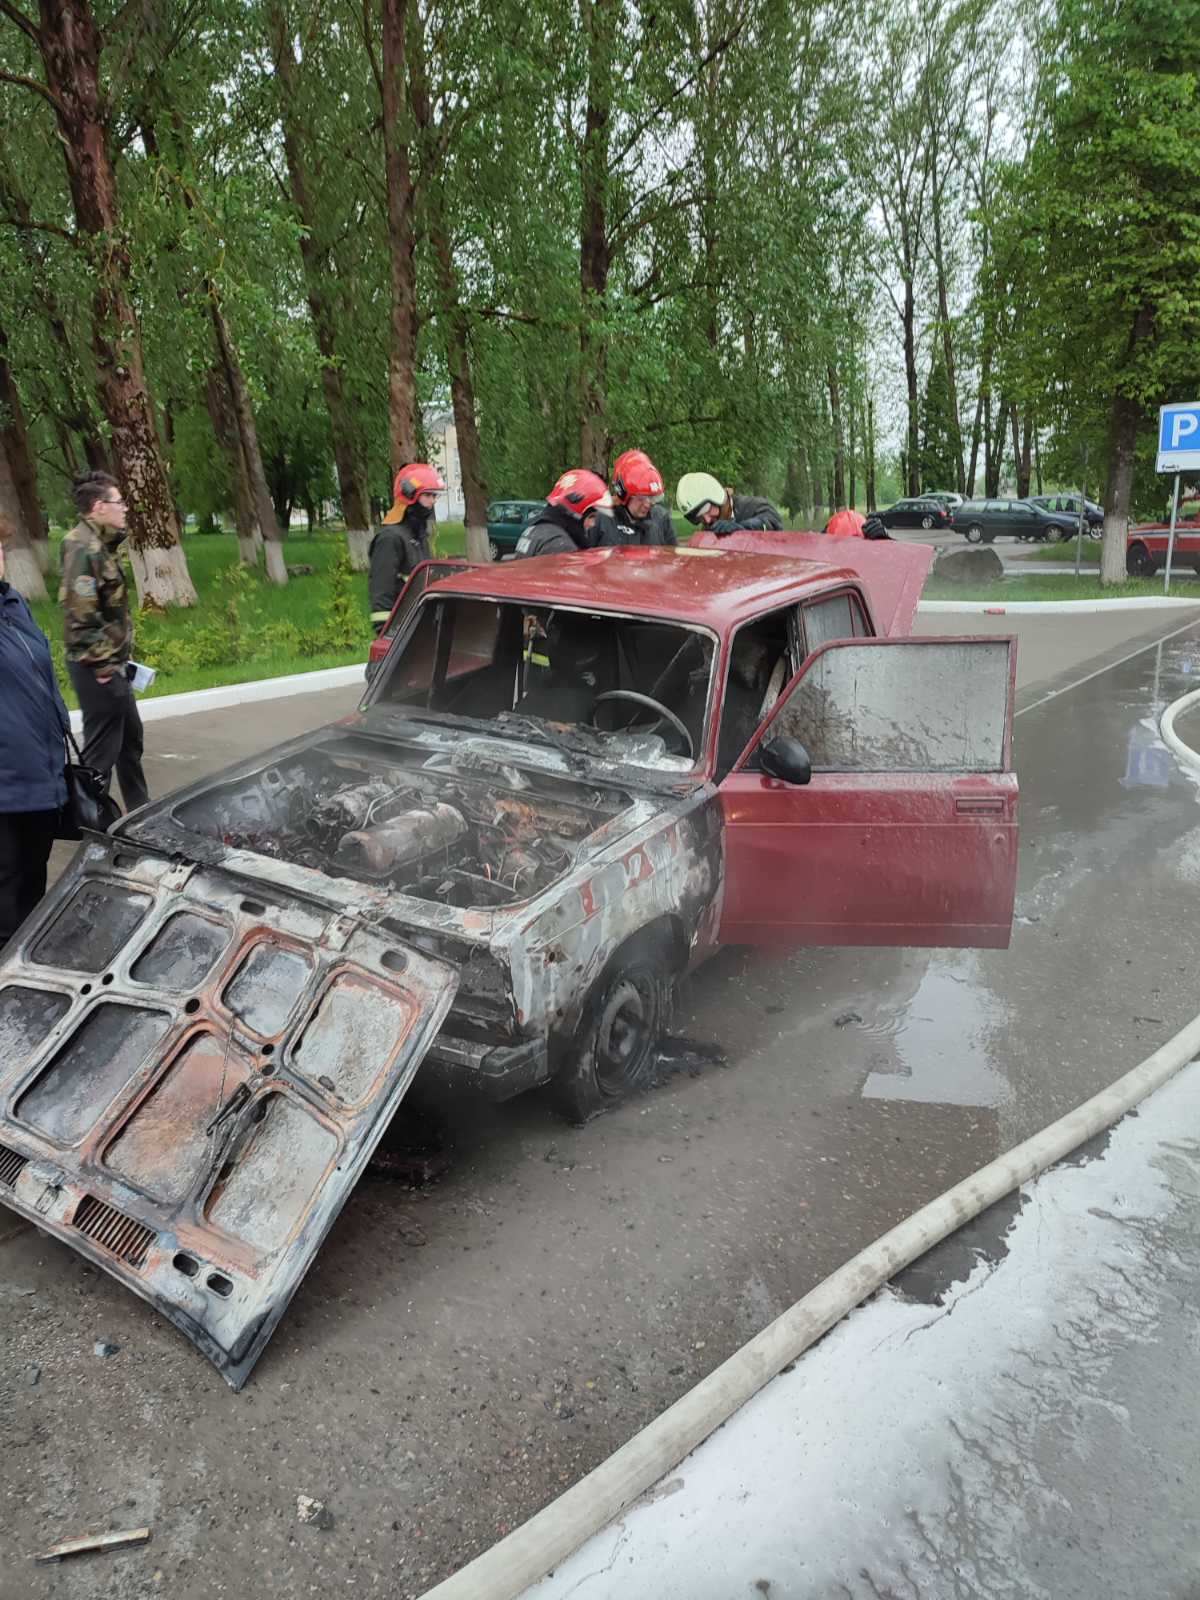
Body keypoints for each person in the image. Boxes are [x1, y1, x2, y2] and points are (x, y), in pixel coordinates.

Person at [61, 471, 149, 812]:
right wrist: (103, 670)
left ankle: (141, 812)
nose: (124, 508)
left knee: (130, 741)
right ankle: (93, 823)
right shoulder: (81, 546)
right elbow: (80, 618)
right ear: (99, 507)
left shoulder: (101, 544)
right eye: (118, 502)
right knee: (102, 754)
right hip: (96, 666)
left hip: (112, 664)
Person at [1, 538, 70, 947]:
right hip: (5, 787)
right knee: (4, 897)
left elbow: (41, 676)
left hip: (41, 778)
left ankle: (24, 973)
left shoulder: (14, 605)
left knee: (32, 889)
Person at [368, 462, 446, 631]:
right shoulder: (390, 539)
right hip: (401, 631)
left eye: (435, 496)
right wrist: (386, 631)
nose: (433, 501)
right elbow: (382, 590)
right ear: (410, 495)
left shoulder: (418, 536)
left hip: (421, 625)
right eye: (428, 495)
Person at [514, 470, 611, 557]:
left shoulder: (535, 530)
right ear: (574, 515)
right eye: (591, 517)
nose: (593, 524)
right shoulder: (560, 545)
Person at [606, 450, 676, 546]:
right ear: (622, 494)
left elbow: (671, 555)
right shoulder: (603, 520)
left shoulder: (661, 518)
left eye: (652, 497)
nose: (647, 504)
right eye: (641, 498)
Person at [675, 472, 783, 535]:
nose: (707, 520)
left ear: (718, 498)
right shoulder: (709, 528)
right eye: (700, 518)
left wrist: (741, 527)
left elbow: (772, 522)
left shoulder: (755, 505)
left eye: (707, 510)